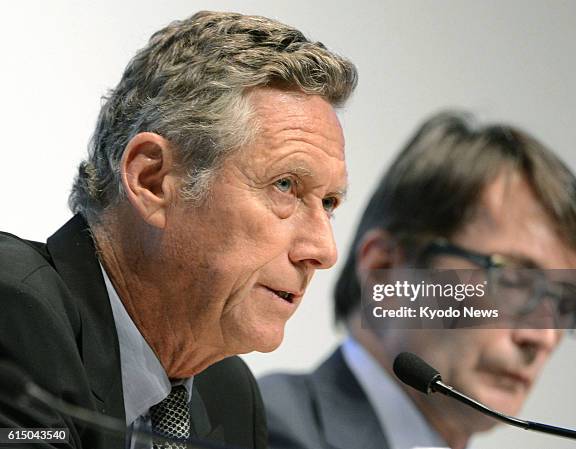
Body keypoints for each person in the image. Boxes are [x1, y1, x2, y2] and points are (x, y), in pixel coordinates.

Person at [0, 10, 357, 449]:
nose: (324, 250)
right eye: (285, 185)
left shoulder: (229, 395)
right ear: (152, 180)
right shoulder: (14, 310)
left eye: (329, 203)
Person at [259, 111, 576, 449]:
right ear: (384, 271)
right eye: (515, 281)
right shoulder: (265, 431)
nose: (542, 336)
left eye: (564, 303)